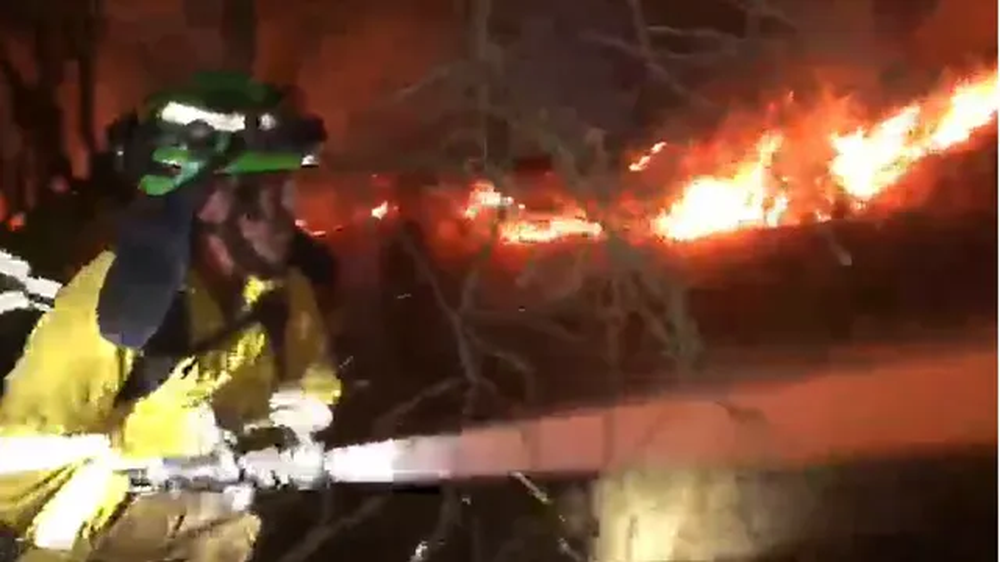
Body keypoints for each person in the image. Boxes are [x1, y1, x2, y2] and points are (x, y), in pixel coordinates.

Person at [0, 72, 341, 562]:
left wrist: (288, 431)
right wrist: (149, 469)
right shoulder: (109, 309)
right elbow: (15, 475)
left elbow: (314, 386)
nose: (293, 213)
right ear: (212, 200)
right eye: (273, 191)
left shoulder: (285, 296)